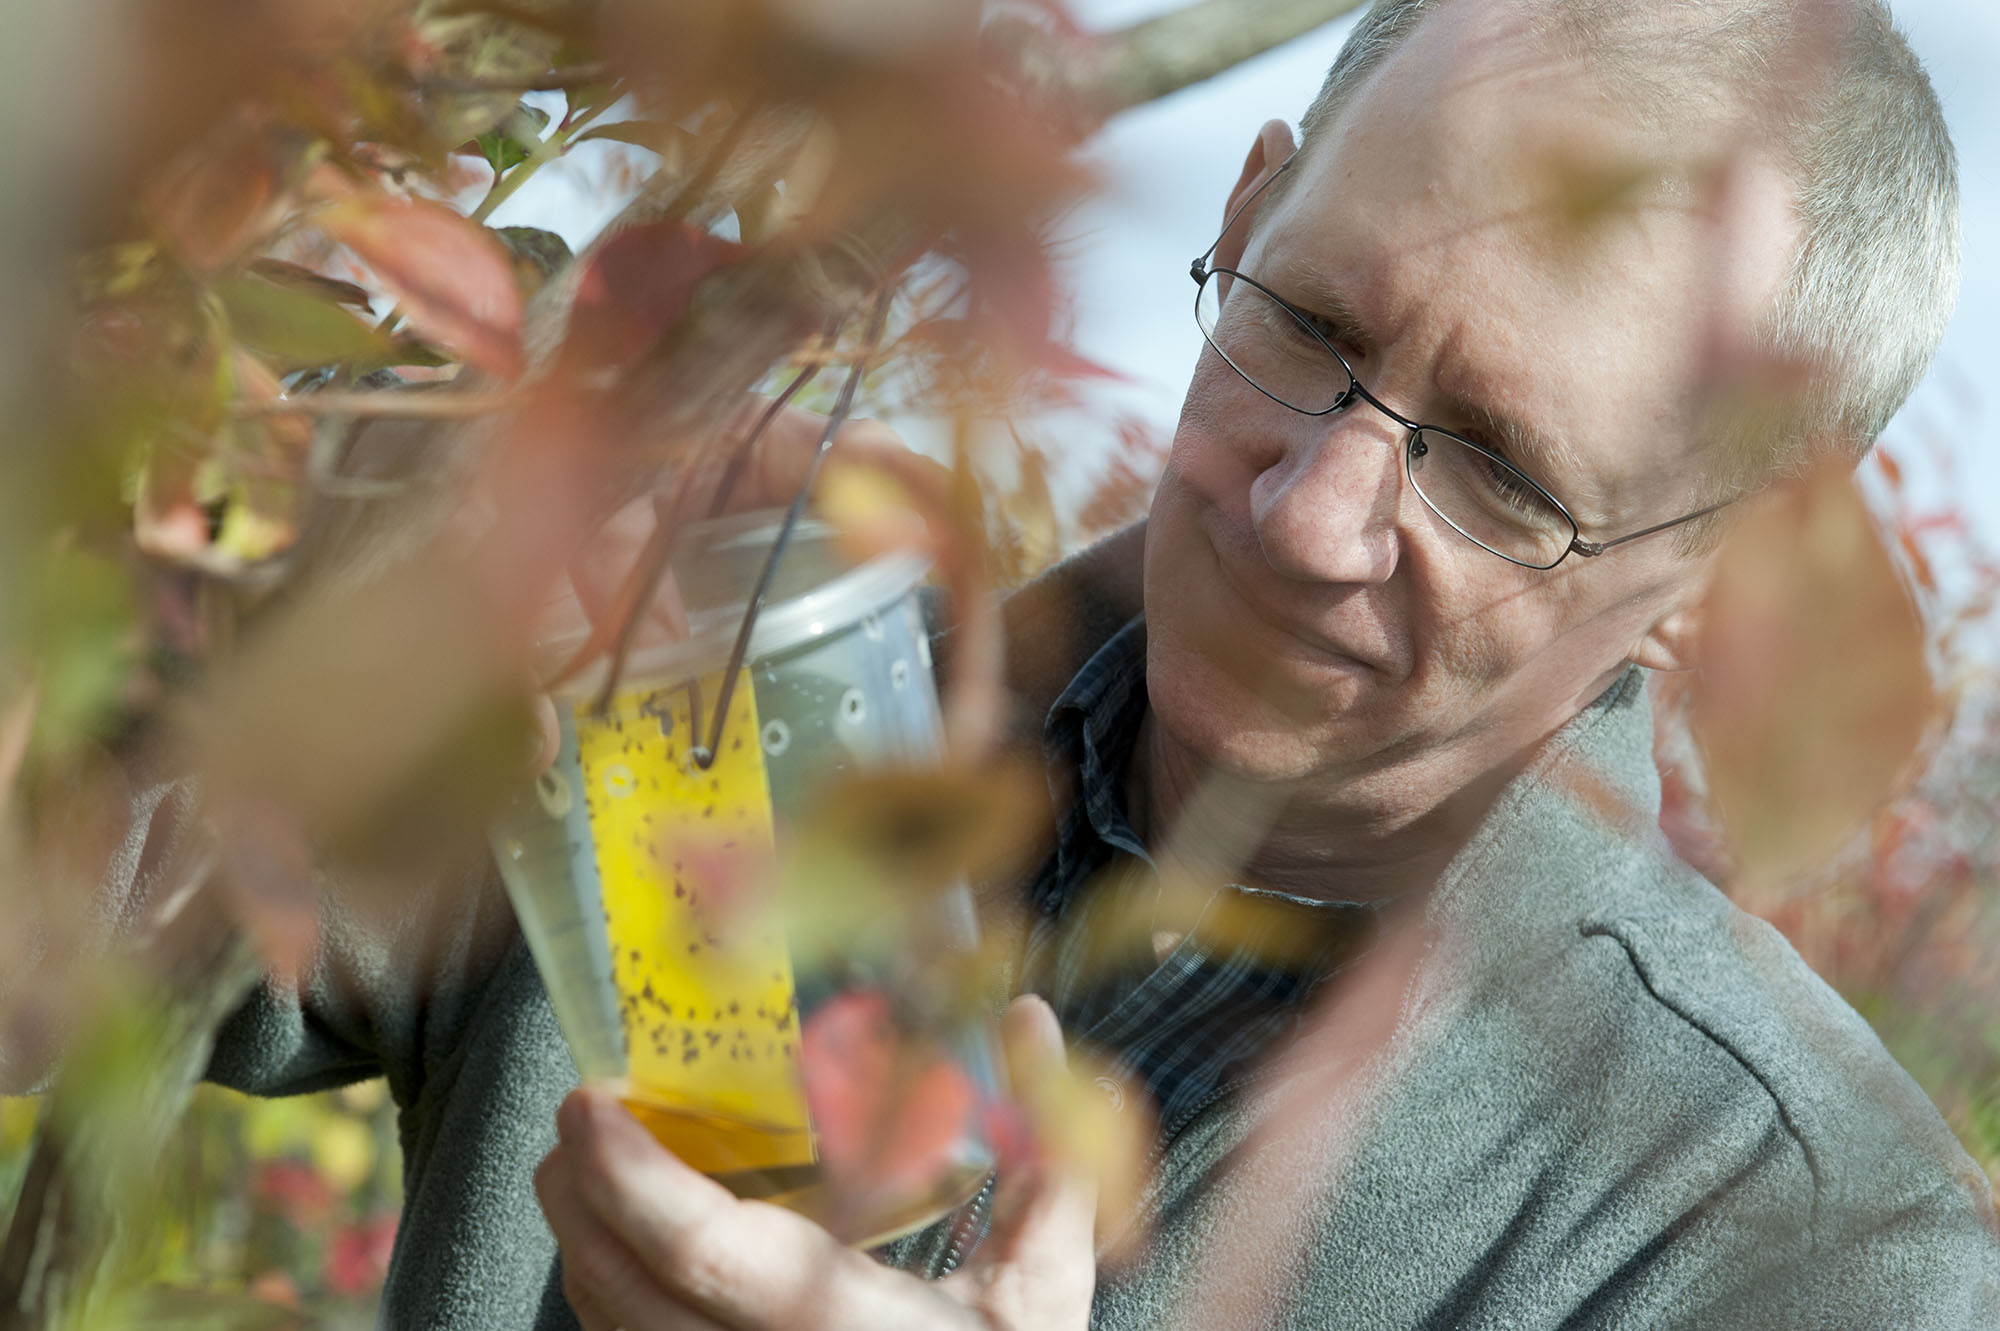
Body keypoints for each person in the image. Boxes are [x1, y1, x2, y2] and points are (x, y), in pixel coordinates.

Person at [529, 0, 2000, 1329]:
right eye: (1308, 325)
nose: (1306, 520)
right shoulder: (716, 707)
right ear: (1246, 212)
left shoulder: (1799, 1255)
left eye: (1499, 472)